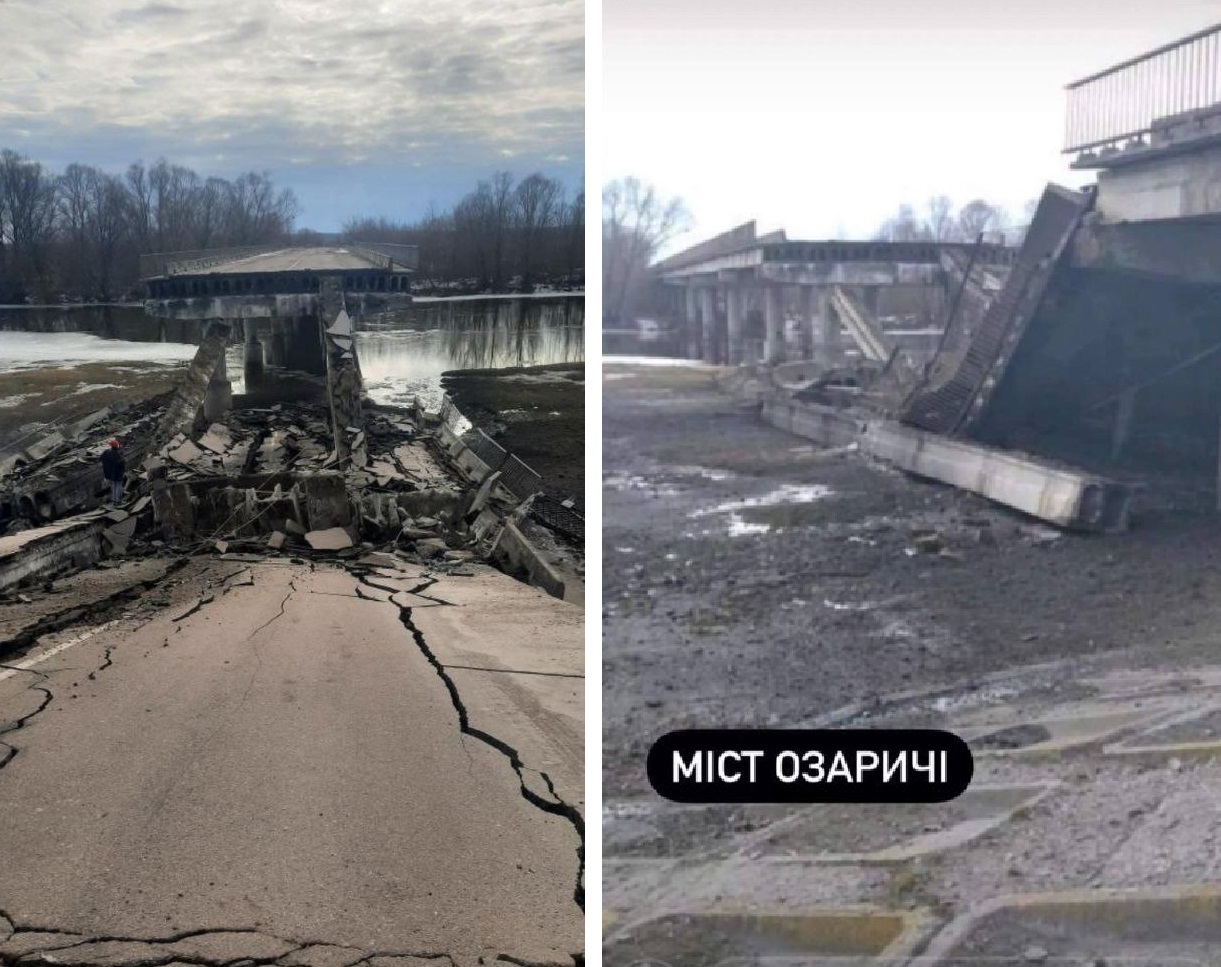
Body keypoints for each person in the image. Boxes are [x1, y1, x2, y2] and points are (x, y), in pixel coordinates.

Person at [100, 437, 126, 505]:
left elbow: (101, 459)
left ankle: (114, 500)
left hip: (109, 474)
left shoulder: (106, 452)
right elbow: (122, 465)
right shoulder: (118, 456)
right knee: (118, 487)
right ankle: (117, 501)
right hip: (117, 475)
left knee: (113, 487)